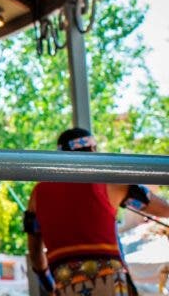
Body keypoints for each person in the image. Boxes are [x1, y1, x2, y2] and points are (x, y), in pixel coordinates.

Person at [26, 127, 169, 296]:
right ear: (93, 149)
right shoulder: (110, 181)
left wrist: (48, 284)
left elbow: (35, 253)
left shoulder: (38, 193)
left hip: (65, 281)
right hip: (110, 280)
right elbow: (163, 209)